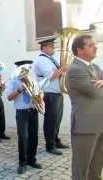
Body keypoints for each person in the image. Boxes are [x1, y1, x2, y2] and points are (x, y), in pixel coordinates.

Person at [66, 34, 103, 180]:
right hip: (85, 126)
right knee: (81, 168)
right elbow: (95, 92)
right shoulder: (75, 69)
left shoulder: (95, 67)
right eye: (91, 45)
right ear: (80, 50)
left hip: (100, 124)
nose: (96, 47)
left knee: (97, 166)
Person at [31, 36, 68, 155]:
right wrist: (62, 69)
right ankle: (50, 145)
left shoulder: (51, 59)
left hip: (57, 93)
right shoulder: (42, 60)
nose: (54, 49)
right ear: (44, 48)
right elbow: (50, 76)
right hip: (49, 93)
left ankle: (56, 140)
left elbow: (58, 74)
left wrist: (63, 70)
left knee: (57, 119)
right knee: (51, 120)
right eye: (51, 46)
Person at [6, 60, 42, 174]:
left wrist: (40, 95)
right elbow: (9, 97)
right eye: (23, 70)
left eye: (26, 70)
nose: (25, 72)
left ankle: (32, 159)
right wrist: (19, 90)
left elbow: (39, 91)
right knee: (23, 137)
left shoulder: (32, 79)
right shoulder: (13, 81)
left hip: (33, 110)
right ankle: (22, 162)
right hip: (22, 112)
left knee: (34, 136)